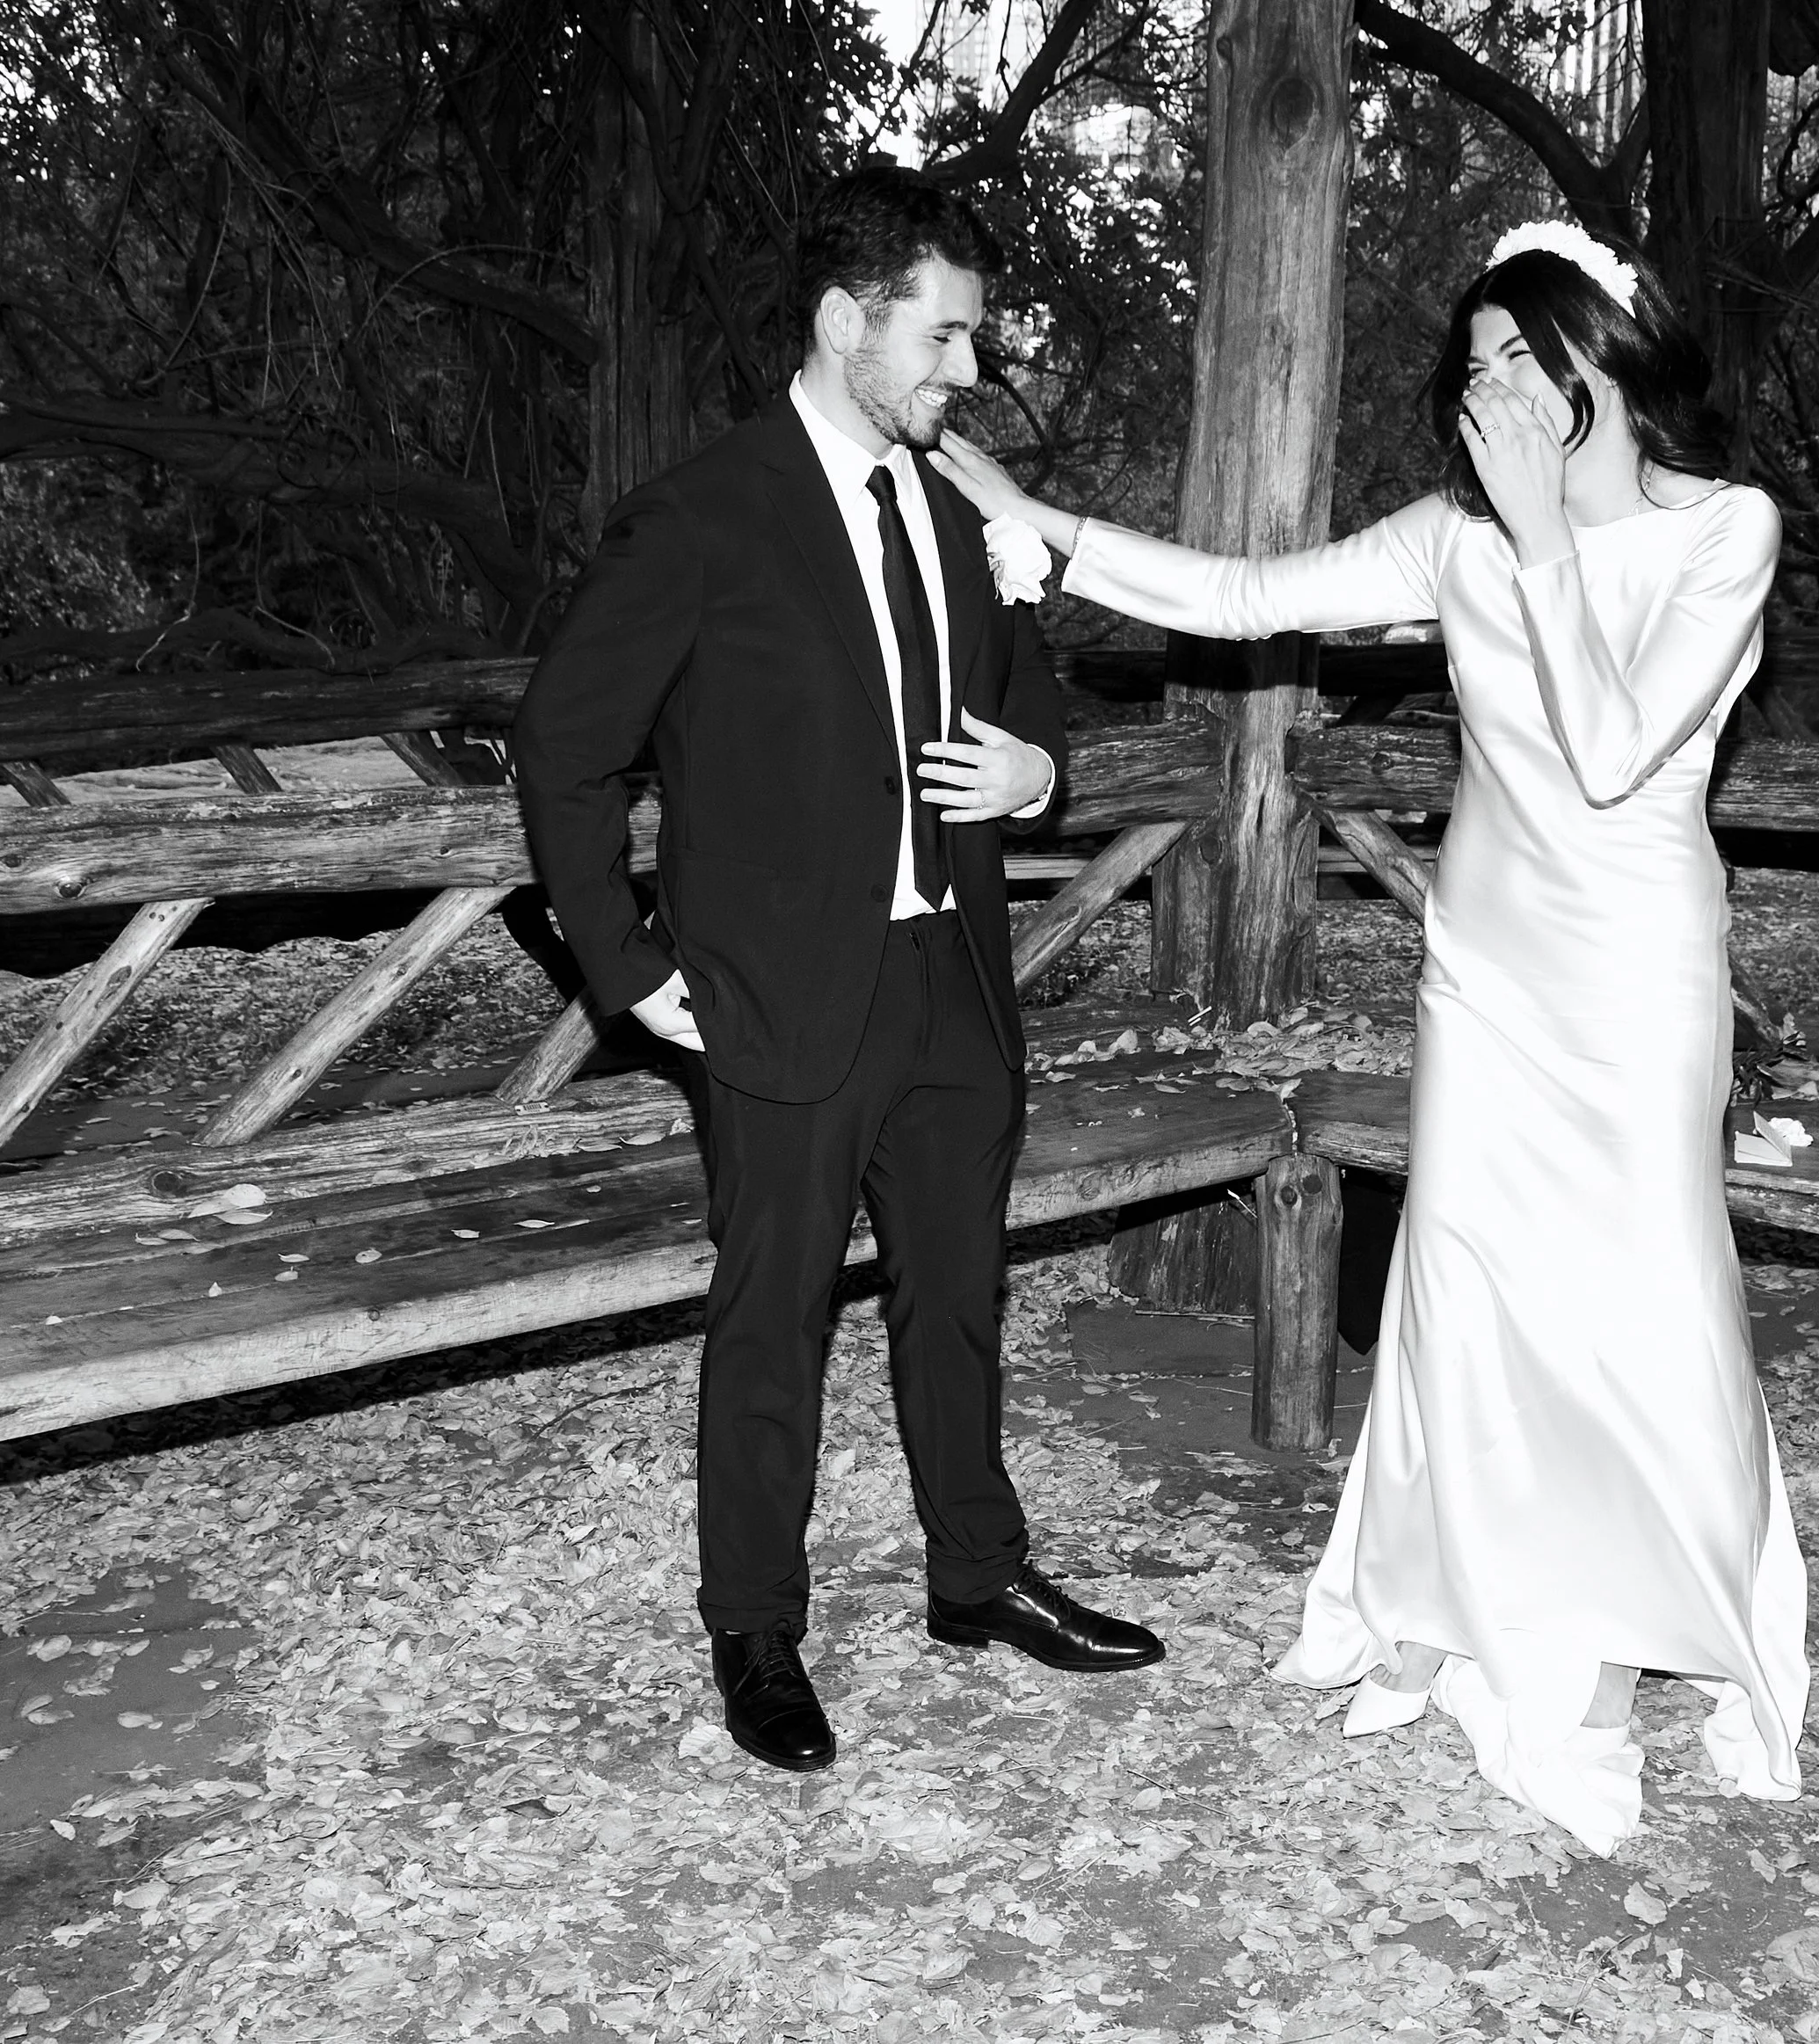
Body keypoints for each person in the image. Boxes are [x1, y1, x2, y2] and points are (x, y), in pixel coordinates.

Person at [931, 221, 1808, 1854]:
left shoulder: (1723, 534)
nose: (1482, 392)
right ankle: (1442, 1580)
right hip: (1484, 967)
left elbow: (1614, 748)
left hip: (1633, 977)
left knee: (1629, 1288)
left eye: (1513, 359)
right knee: (1470, 1279)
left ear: (1596, 356)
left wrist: (1546, 534)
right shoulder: (1457, 539)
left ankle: (1613, 1638)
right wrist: (1043, 533)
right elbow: (1250, 597)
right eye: (1467, 368)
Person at [513, 165, 1163, 1777]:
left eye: (972, 342)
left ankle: (978, 1574)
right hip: (778, 998)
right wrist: (628, 968)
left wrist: (1038, 775)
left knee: (959, 1301)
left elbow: (1030, 702)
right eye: (943, 339)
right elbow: (564, 750)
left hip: (952, 983)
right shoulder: (702, 516)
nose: (967, 373)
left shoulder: (957, 512)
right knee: (772, 1321)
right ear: (842, 324)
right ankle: (757, 1632)